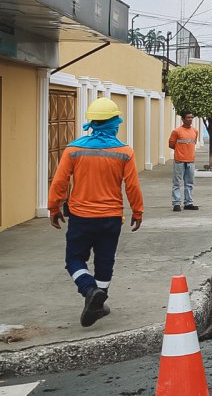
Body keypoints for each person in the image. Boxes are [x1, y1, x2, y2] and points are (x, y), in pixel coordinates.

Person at [48, 97, 144, 328]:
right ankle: (98, 302)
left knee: (74, 259)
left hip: (81, 217)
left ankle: (89, 291)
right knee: (105, 261)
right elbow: (132, 186)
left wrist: (54, 207)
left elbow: (59, 182)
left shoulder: (74, 150)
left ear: (92, 122)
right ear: (114, 123)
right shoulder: (124, 152)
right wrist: (138, 211)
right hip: (111, 218)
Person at [168, 111, 199, 211]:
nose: (190, 119)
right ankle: (176, 203)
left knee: (189, 183)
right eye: (188, 117)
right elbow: (171, 145)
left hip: (190, 161)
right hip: (179, 161)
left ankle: (188, 203)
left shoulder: (195, 131)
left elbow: (193, 143)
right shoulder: (176, 132)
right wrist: (180, 152)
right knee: (177, 183)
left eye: (191, 117)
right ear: (183, 119)